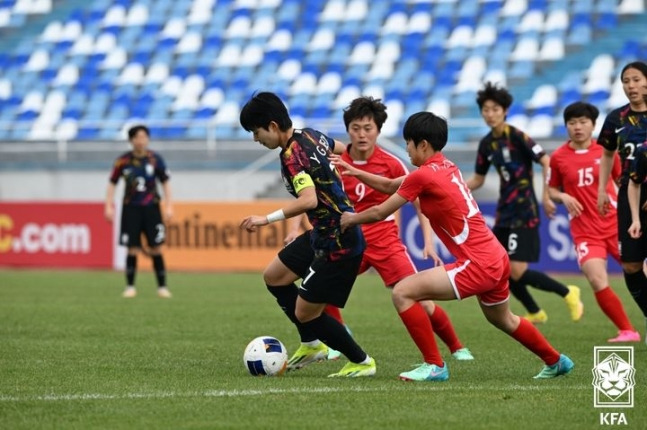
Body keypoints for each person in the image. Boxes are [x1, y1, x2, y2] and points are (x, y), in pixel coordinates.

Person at [338, 111, 573, 381]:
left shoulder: (422, 176)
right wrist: (356, 171)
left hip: (477, 263)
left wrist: (351, 219)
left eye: (409, 143)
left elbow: (380, 212)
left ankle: (434, 365)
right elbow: (392, 184)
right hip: (496, 256)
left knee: (403, 292)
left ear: (422, 144)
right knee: (503, 319)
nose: (407, 149)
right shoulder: (446, 166)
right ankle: (556, 361)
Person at [287, 96, 474, 363]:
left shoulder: (392, 164)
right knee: (319, 288)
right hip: (350, 240)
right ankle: (341, 338)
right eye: (355, 128)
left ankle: (456, 346)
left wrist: (429, 243)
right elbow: (309, 195)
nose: (362, 134)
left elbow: (421, 204)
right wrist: (294, 228)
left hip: (386, 241)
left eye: (368, 128)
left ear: (378, 130)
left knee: (420, 298)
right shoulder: (330, 160)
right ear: (347, 129)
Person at [238, 91, 376, 377]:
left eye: (256, 131)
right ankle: (312, 344)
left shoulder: (292, 156)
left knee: (305, 312)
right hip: (322, 233)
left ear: (273, 126)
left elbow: (308, 200)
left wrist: (265, 219)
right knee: (274, 276)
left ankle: (362, 361)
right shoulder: (311, 135)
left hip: (338, 240)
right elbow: (340, 147)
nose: (255, 139)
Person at [465, 82, 583, 324]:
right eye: (486, 109)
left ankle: (568, 292)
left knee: (516, 269)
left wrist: (548, 195)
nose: (490, 114)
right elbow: (478, 178)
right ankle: (535, 312)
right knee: (499, 268)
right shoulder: (486, 144)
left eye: (495, 109)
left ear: (505, 110)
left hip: (524, 211)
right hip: (504, 213)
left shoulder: (518, 137)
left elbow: (546, 160)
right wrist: (456, 189)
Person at [548, 101, 640, 342]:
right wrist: (563, 196)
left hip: (615, 225)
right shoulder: (558, 157)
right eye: (572, 123)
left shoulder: (606, 152)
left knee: (641, 272)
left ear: (593, 125)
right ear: (566, 126)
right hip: (585, 231)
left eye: (583, 122)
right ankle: (627, 330)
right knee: (596, 279)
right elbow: (551, 191)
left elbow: (625, 183)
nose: (577, 127)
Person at [597, 61, 647, 341]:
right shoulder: (616, 118)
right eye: (626, 81)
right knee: (630, 265)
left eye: (636, 79)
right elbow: (607, 154)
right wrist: (602, 189)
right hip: (630, 191)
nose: (631, 86)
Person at [105, 124, 173, 298]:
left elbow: (165, 182)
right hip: (131, 209)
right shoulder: (122, 161)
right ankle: (130, 287)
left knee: (156, 247)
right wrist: (108, 205)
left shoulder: (155, 159)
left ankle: (162, 287)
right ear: (131, 140)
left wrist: (169, 206)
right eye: (137, 137)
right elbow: (112, 183)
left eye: (144, 137)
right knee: (132, 248)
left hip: (152, 208)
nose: (141, 141)